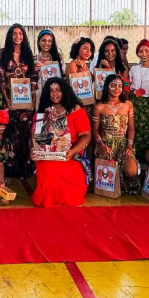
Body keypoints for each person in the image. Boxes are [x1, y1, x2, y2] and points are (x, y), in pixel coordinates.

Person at [31, 77, 91, 207]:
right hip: (48, 156)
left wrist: (72, 151)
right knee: (48, 169)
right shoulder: (42, 112)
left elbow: (86, 136)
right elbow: (39, 139)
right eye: (51, 90)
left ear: (64, 91)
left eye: (58, 90)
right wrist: (35, 151)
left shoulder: (76, 110)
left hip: (71, 155)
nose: (54, 93)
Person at [0, 23, 38, 178]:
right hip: (9, 99)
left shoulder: (28, 53)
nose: (17, 36)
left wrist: (33, 99)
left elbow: (33, 77)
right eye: (14, 33)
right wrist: (6, 101)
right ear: (10, 36)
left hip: (26, 101)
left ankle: (25, 169)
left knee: (25, 133)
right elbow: (0, 78)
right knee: (10, 133)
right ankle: (10, 169)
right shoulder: (3, 53)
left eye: (20, 33)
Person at [93, 74, 139, 194]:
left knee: (132, 171)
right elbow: (95, 130)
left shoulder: (128, 104)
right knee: (106, 177)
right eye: (113, 85)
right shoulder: (99, 107)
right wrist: (101, 145)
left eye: (120, 86)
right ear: (107, 87)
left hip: (123, 143)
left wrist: (129, 146)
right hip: (105, 145)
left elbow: (131, 129)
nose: (117, 88)